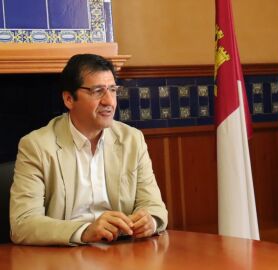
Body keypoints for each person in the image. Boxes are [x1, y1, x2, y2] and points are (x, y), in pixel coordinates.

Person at [10, 54, 168, 246]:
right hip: (63, 257)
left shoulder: (132, 140)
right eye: (98, 91)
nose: (109, 101)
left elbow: (154, 206)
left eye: (112, 90)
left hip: (122, 253)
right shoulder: (37, 146)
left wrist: (150, 221)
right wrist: (85, 231)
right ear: (69, 99)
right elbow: (23, 224)